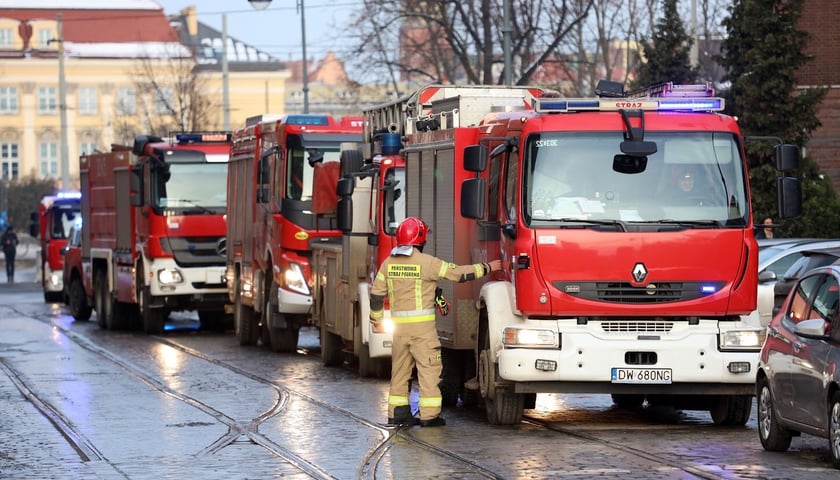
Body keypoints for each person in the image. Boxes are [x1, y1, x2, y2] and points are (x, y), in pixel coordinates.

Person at [369, 217, 502, 427]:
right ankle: (429, 416)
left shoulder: (388, 263)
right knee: (429, 372)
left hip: (400, 333)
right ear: (420, 239)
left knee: (400, 372)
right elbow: (458, 274)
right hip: (423, 333)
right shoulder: (427, 263)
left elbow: (376, 295)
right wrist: (488, 267)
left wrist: (376, 320)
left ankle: (397, 413)